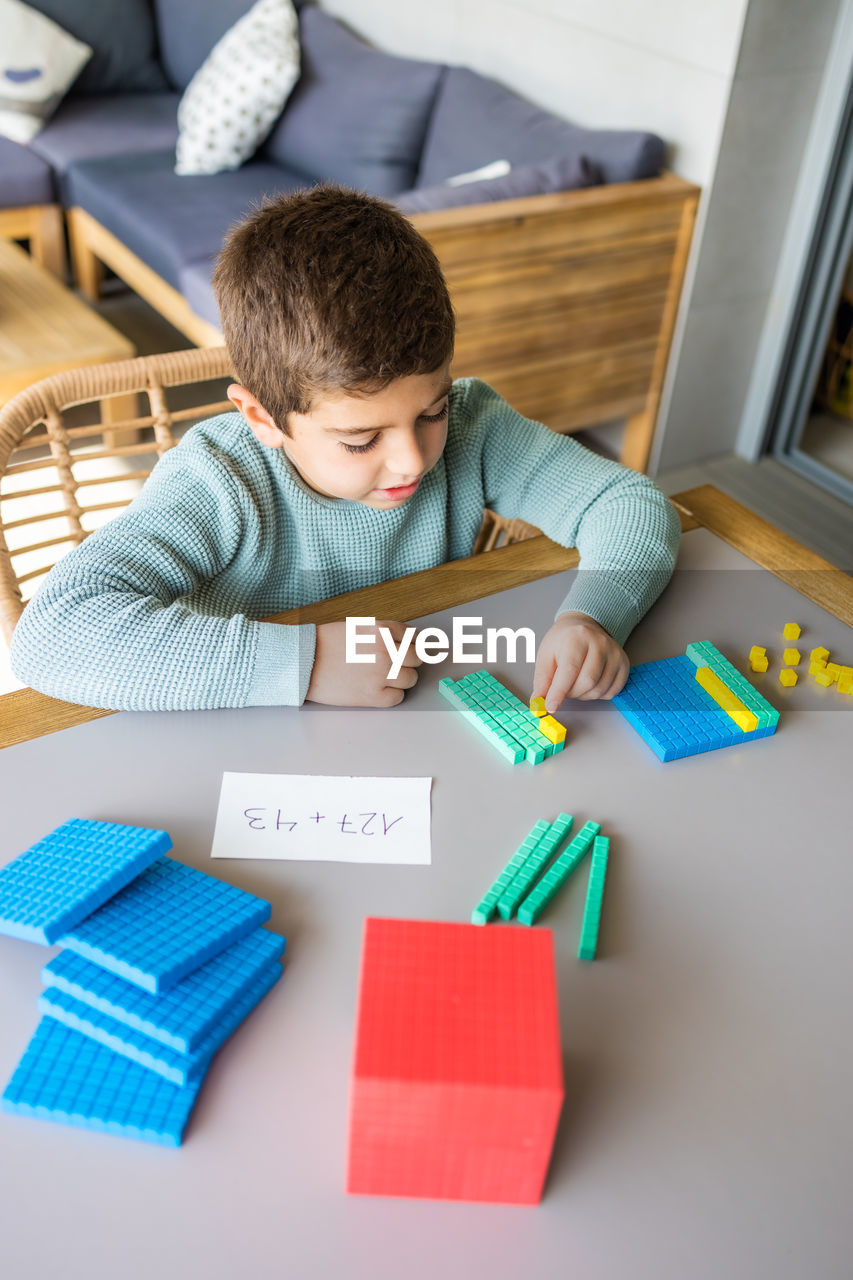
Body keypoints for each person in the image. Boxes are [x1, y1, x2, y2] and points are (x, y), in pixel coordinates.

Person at [10, 185, 680, 713]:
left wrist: (594, 613)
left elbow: (626, 501)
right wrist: (307, 664)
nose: (413, 460)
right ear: (262, 418)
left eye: (431, 411)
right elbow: (52, 637)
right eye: (360, 439)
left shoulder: (475, 428)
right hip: (251, 733)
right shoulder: (219, 481)